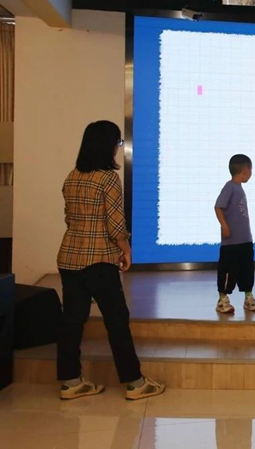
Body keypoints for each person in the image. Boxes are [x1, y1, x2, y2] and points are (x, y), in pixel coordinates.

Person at [56, 120, 165, 401]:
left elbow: (69, 217)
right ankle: (135, 383)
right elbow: (115, 224)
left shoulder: (72, 176)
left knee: (72, 321)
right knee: (117, 321)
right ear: (108, 146)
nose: (118, 148)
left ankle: (71, 381)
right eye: (118, 143)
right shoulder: (107, 179)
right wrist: (126, 250)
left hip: (69, 257)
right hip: (99, 260)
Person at [214, 154, 255, 314]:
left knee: (247, 270)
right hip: (231, 243)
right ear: (246, 171)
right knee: (228, 271)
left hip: (245, 240)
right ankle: (222, 299)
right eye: (251, 170)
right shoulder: (230, 187)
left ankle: (248, 297)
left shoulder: (239, 188)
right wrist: (224, 226)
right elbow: (218, 206)